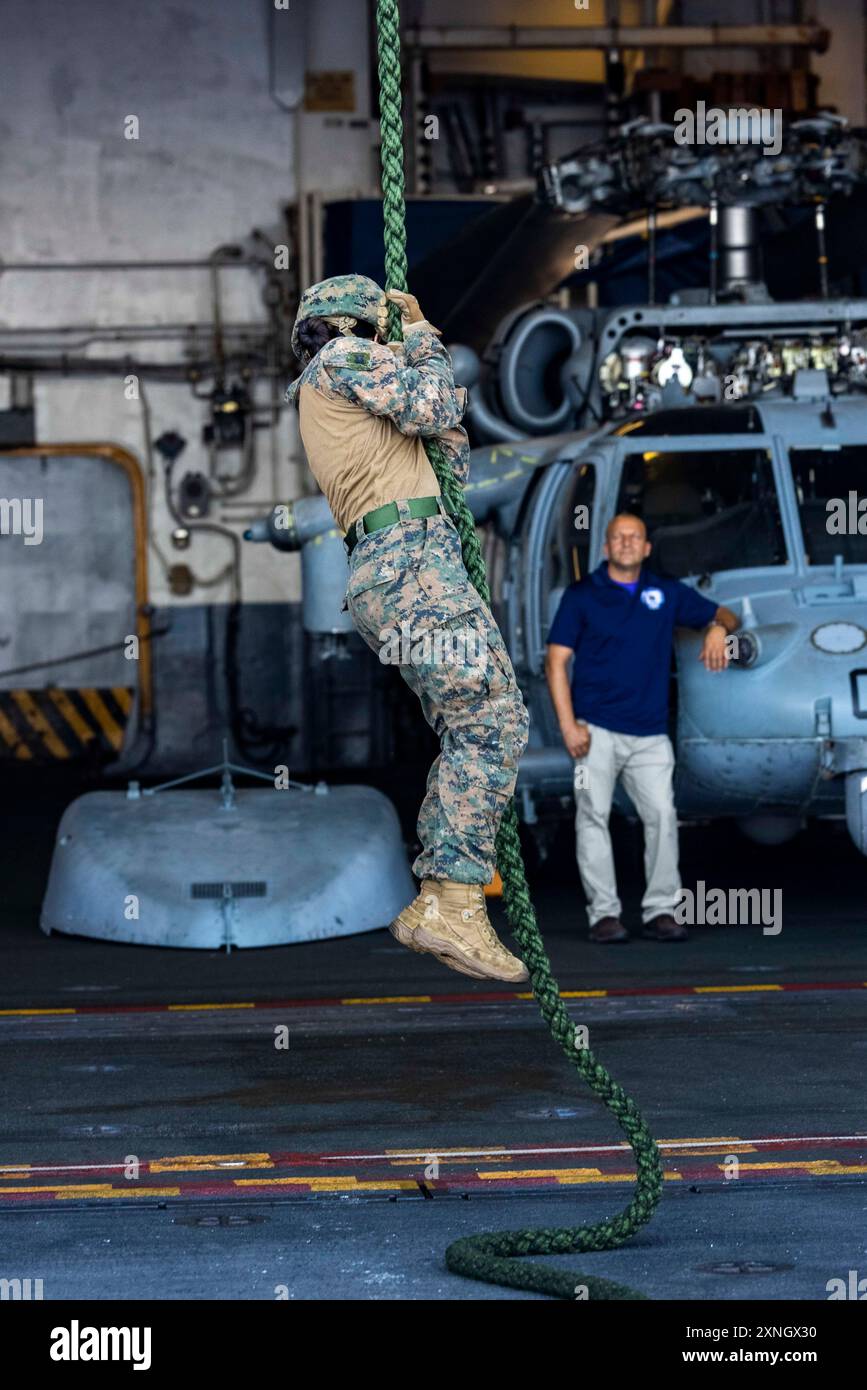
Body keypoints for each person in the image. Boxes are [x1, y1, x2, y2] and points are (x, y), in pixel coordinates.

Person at [285, 274, 530, 982]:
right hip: (410, 564)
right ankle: (451, 899)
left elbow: (445, 444)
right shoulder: (339, 361)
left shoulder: (346, 389)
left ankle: (447, 895)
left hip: (411, 564)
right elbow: (435, 401)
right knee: (491, 721)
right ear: (358, 325)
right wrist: (421, 337)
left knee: (478, 721)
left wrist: (419, 365)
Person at [545, 513, 739, 943]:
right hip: (593, 730)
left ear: (647, 547)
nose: (627, 543)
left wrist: (715, 629)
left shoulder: (664, 592)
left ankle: (660, 911)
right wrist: (568, 725)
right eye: (618, 537)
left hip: (650, 734)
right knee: (592, 817)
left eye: (635, 536)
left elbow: (727, 614)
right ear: (606, 548)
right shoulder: (581, 596)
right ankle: (603, 915)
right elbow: (556, 662)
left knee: (663, 817)